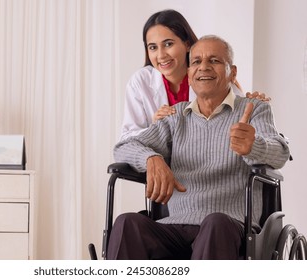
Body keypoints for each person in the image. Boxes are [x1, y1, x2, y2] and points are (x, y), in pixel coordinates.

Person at [107, 35, 290, 260]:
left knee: (215, 221)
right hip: (175, 225)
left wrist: (254, 146)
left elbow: (280, 152)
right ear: (190, 74)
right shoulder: (176, 117)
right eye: (196, 62)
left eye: (214, 60)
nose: (204, 66)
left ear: (232, 73)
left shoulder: (254, 109)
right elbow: (124, 146)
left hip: (229, 225)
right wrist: (151, 158)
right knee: (127, 223)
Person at [120, 9, 269, 141]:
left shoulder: (211, 75)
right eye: (153, 47)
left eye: (168, 44)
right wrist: (155, 127)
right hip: (160, 163)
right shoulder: (141, 81)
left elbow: (239, 121)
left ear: (187, 44)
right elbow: (126, 139)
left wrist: (255, 105)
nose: (161, 55)